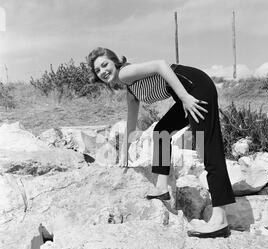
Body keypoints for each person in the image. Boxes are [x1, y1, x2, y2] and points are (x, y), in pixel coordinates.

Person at [87, 47, 236, 238]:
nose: (102, 71)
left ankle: (220, 219)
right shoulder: (130, 90)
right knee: (161, 132)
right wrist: (124, 154)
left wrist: (184, 97)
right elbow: (131, 124)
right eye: (98, 70)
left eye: (104, 64)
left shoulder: (125, 72)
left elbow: (160, 65)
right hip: (185, 93)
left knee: (209, 148)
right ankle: (161, 187)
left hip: (195, 88)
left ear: (114, 62)